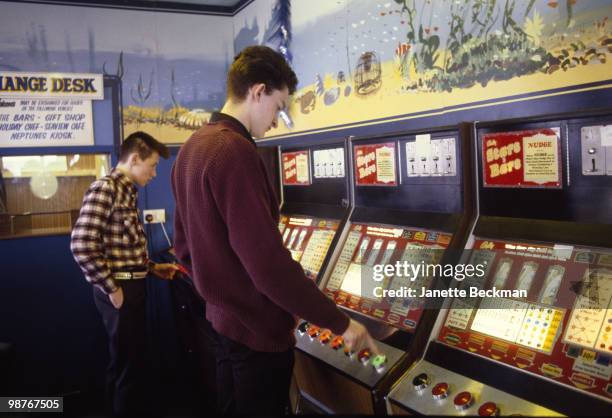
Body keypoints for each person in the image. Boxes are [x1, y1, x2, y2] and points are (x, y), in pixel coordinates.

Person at [171, 45, 378, 415]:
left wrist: (224, 296)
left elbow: (184, 249)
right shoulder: (234, 152)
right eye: (279, 107)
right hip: (256, 338)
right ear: (257, 91)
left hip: (222, 326)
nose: (277, 120)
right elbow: (266, 265)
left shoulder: (191, 149)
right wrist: (339, 322)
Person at [70, 131, 180, 416]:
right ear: (134, 159)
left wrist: (153, 268)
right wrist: (112, 289)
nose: (155, 173)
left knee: (125, 363)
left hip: (131, 285)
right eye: (152, 165)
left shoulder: (126, 190)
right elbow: (82, 245)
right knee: (129, 367)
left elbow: (121, 247)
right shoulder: (105, 189)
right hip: (120, 291)